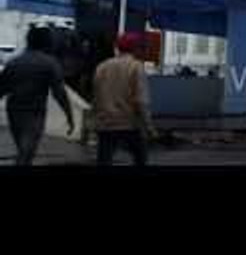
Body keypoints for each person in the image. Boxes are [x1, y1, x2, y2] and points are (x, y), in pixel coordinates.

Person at [0, 26, 75, 166]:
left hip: (14, 111)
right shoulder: (50, 63)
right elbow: (60, 93)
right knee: (26, 152)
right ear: (46, 42)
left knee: (23, 150)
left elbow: (2, 88)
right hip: (34, 113)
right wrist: (69, 116)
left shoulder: (14, 62)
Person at [92, 32, 154, 166]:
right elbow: (141, 100)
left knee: (104, 161)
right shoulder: (136, 66)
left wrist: (95, 121)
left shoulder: (102, 66)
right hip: (129, 124)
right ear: (135, 48)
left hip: (106, 123)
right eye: (141, 47)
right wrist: (149, 126)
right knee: (140, 158)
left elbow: (96, 97)